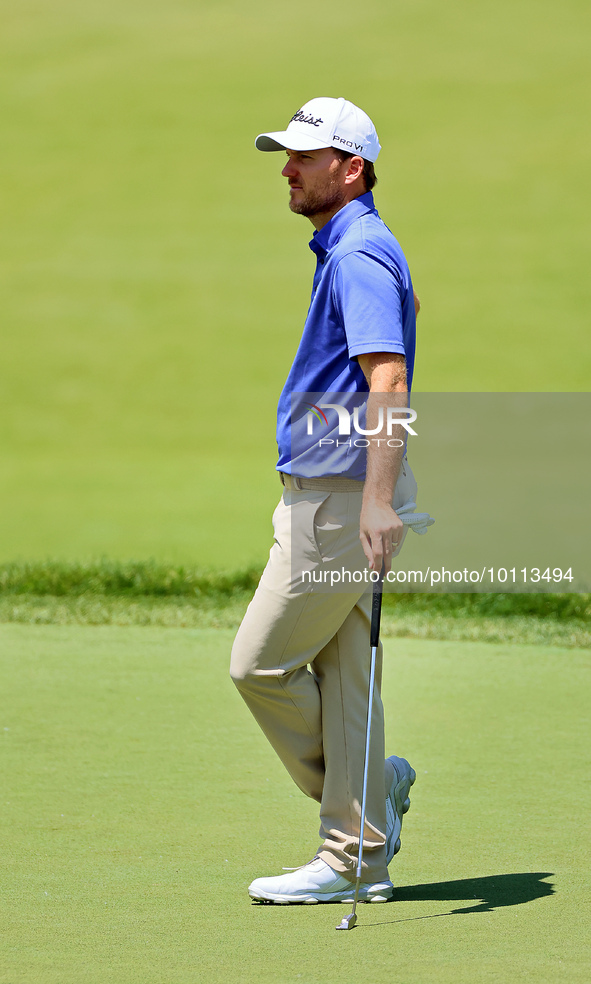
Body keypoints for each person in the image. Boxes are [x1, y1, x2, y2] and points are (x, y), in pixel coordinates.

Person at [230, 97, 427, 905]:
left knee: (260, 665)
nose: (287, 167)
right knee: (345, 681)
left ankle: (369, 799)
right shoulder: (357, 246)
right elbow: (407, 317)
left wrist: (376, 500)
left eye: (303, 157)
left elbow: (389, 378)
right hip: (344, 494)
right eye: (287, 154)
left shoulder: (355, 254)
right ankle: (358, 859)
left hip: (342, 503)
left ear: (351, 169)